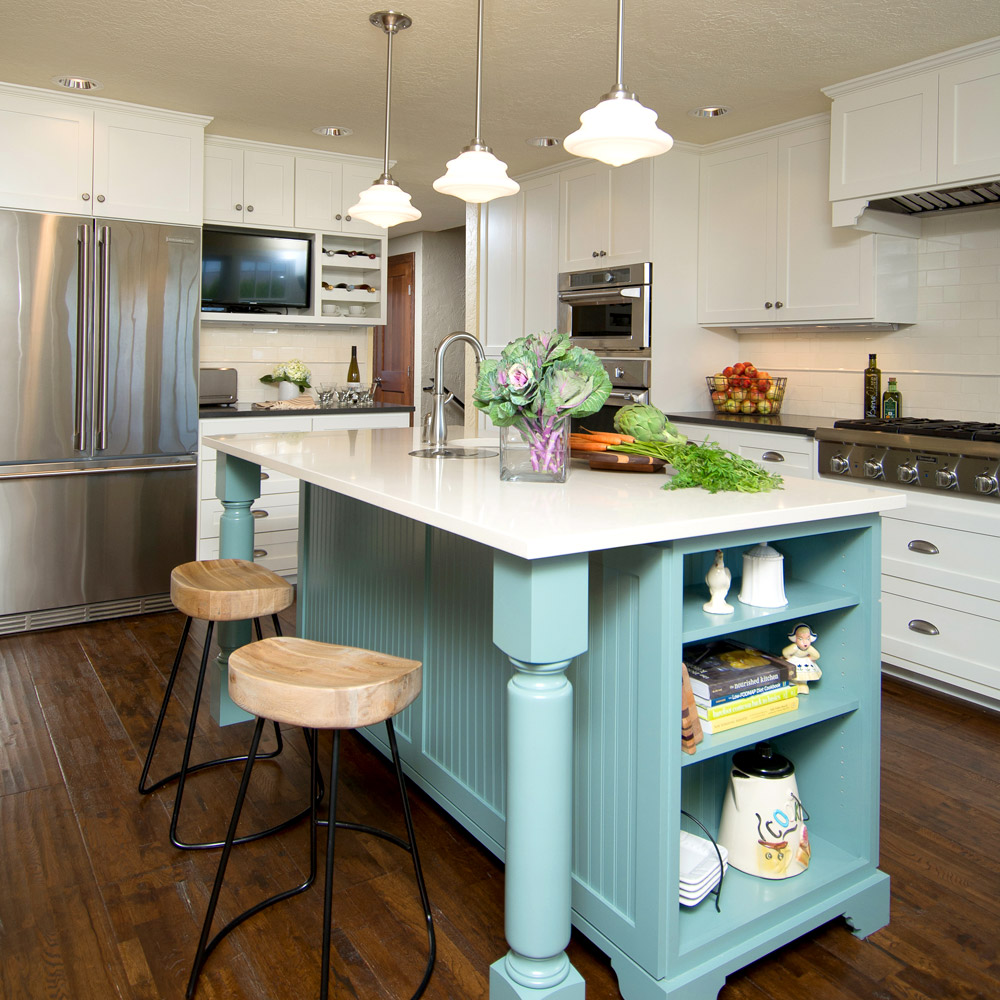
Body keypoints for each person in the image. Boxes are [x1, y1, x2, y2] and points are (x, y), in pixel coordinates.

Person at [782, 623, 821, 694]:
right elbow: (785, 652)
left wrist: (810, 658)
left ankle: (803, 686)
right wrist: (788, 657)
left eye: (807, 638)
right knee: (793, 675)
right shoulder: (794, 647)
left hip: (805, 661)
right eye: (800, 639)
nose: (804, 642)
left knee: (804, 675)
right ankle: (793, 684)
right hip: (795, 660)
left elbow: (816, 655)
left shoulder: (809, 649)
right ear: (795, 638)